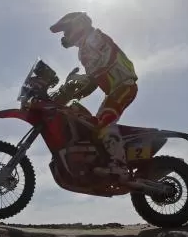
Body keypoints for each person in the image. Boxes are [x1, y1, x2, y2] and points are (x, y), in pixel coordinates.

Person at [49, 11, 137, 182]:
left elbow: (107, 59)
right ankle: (101, 160)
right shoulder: (82, 52)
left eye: (66, 31)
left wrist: (85, 79)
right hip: (113, 91)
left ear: (77, 25)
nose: (65, 36)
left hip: (125, 85)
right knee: (90, 125)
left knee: (105, 121)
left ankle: (119, 166)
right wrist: (72, 92)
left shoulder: (95, 37)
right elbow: (93, 82)